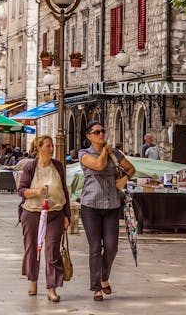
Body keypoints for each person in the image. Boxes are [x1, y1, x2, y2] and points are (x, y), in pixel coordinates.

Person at [79, 121, 135, 301]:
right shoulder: (84, 154)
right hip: (91, 206)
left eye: (102, 131)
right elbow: (98, 165)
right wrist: (106, 150)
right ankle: (96, 287)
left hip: (112, 205)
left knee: (111, 247)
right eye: (96, 132)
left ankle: (104, 276)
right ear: (88, 136)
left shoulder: (116, 153)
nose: (101, 134)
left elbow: (131, 168)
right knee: (95, 247)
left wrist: (125, 179)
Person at [17, 135, 71, 302]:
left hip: (55, 213)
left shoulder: (58, 166)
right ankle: (33, 280)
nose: (51, 149)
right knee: (32, 247)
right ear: (39, 148)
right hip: (33, 212)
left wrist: (67, 215)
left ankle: (51, 287)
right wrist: (36, 192)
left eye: (52, 146)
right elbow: (21, 190)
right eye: (47, 146)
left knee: (52, 249)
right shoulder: (30, 167)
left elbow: (65, 191)